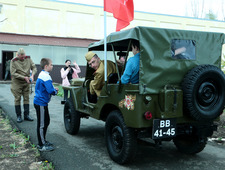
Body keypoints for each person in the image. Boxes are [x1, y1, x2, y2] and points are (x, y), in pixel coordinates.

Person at [33, 58, 58, 152]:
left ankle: (43, 140)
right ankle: (41, 145)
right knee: (42, 124)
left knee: (46, 121)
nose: (52, 66)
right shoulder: (46, 76)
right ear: (46, 66)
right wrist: (55, 90)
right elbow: (50, 90)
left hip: (41, 103)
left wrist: (52, 88)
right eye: (51, 64)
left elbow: (48, 87)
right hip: (41, 103)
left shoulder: (43, 74)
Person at [10, 48, 37, 123]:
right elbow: (13, 73)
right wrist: (24, 77)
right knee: (17, 98)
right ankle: (19, 116)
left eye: (24, 56)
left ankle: (26, 115)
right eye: (21, 57)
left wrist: (32, 75)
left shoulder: (28, 59)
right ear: (17, 55)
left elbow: (34, 67)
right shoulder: (13, 61)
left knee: (26, 98)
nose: (23, 58)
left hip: (27, 82)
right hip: (17, 82)